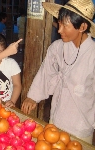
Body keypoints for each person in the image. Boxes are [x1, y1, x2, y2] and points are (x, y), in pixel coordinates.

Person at [21, 0, 95, 144]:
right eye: (59, 23)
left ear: (82, 26)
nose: (59, 30)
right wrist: (33, 97)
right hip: (57, 117)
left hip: (81, 123)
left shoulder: (93, 54)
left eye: (65, 25)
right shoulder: (56, 47)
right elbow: (45, 73)